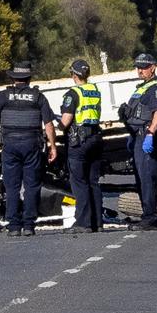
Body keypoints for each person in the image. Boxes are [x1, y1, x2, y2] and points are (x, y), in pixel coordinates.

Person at [0, 61, 57, 236]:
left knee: (12, 186)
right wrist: (53, 146)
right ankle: (29, 225)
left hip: (10, 145)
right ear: (29, 78)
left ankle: (14, 226)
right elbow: (49, 125)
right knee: (32, 185)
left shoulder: (2, 96)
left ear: (13, 78)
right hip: (32, 144)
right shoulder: (38, 97)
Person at [121, 53, 157, 231]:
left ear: (153, 67)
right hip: (137, 137)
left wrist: (150, 133)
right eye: (138, 67)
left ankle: (150, 218)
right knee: (141, 179)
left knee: (147, 178)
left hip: (146, 136)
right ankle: (146, 215)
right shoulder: (142, 87)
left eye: (143, 67)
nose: (140, 70)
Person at [59, 59, 104, 234]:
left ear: (74, 75)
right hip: (95, 137)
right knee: (93, 181)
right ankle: (97, 222)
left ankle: (83, 223)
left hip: (80, 141)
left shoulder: (73, 93)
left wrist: (58, 128)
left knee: (79, 182)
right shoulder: (94, 90)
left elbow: (67, 119)